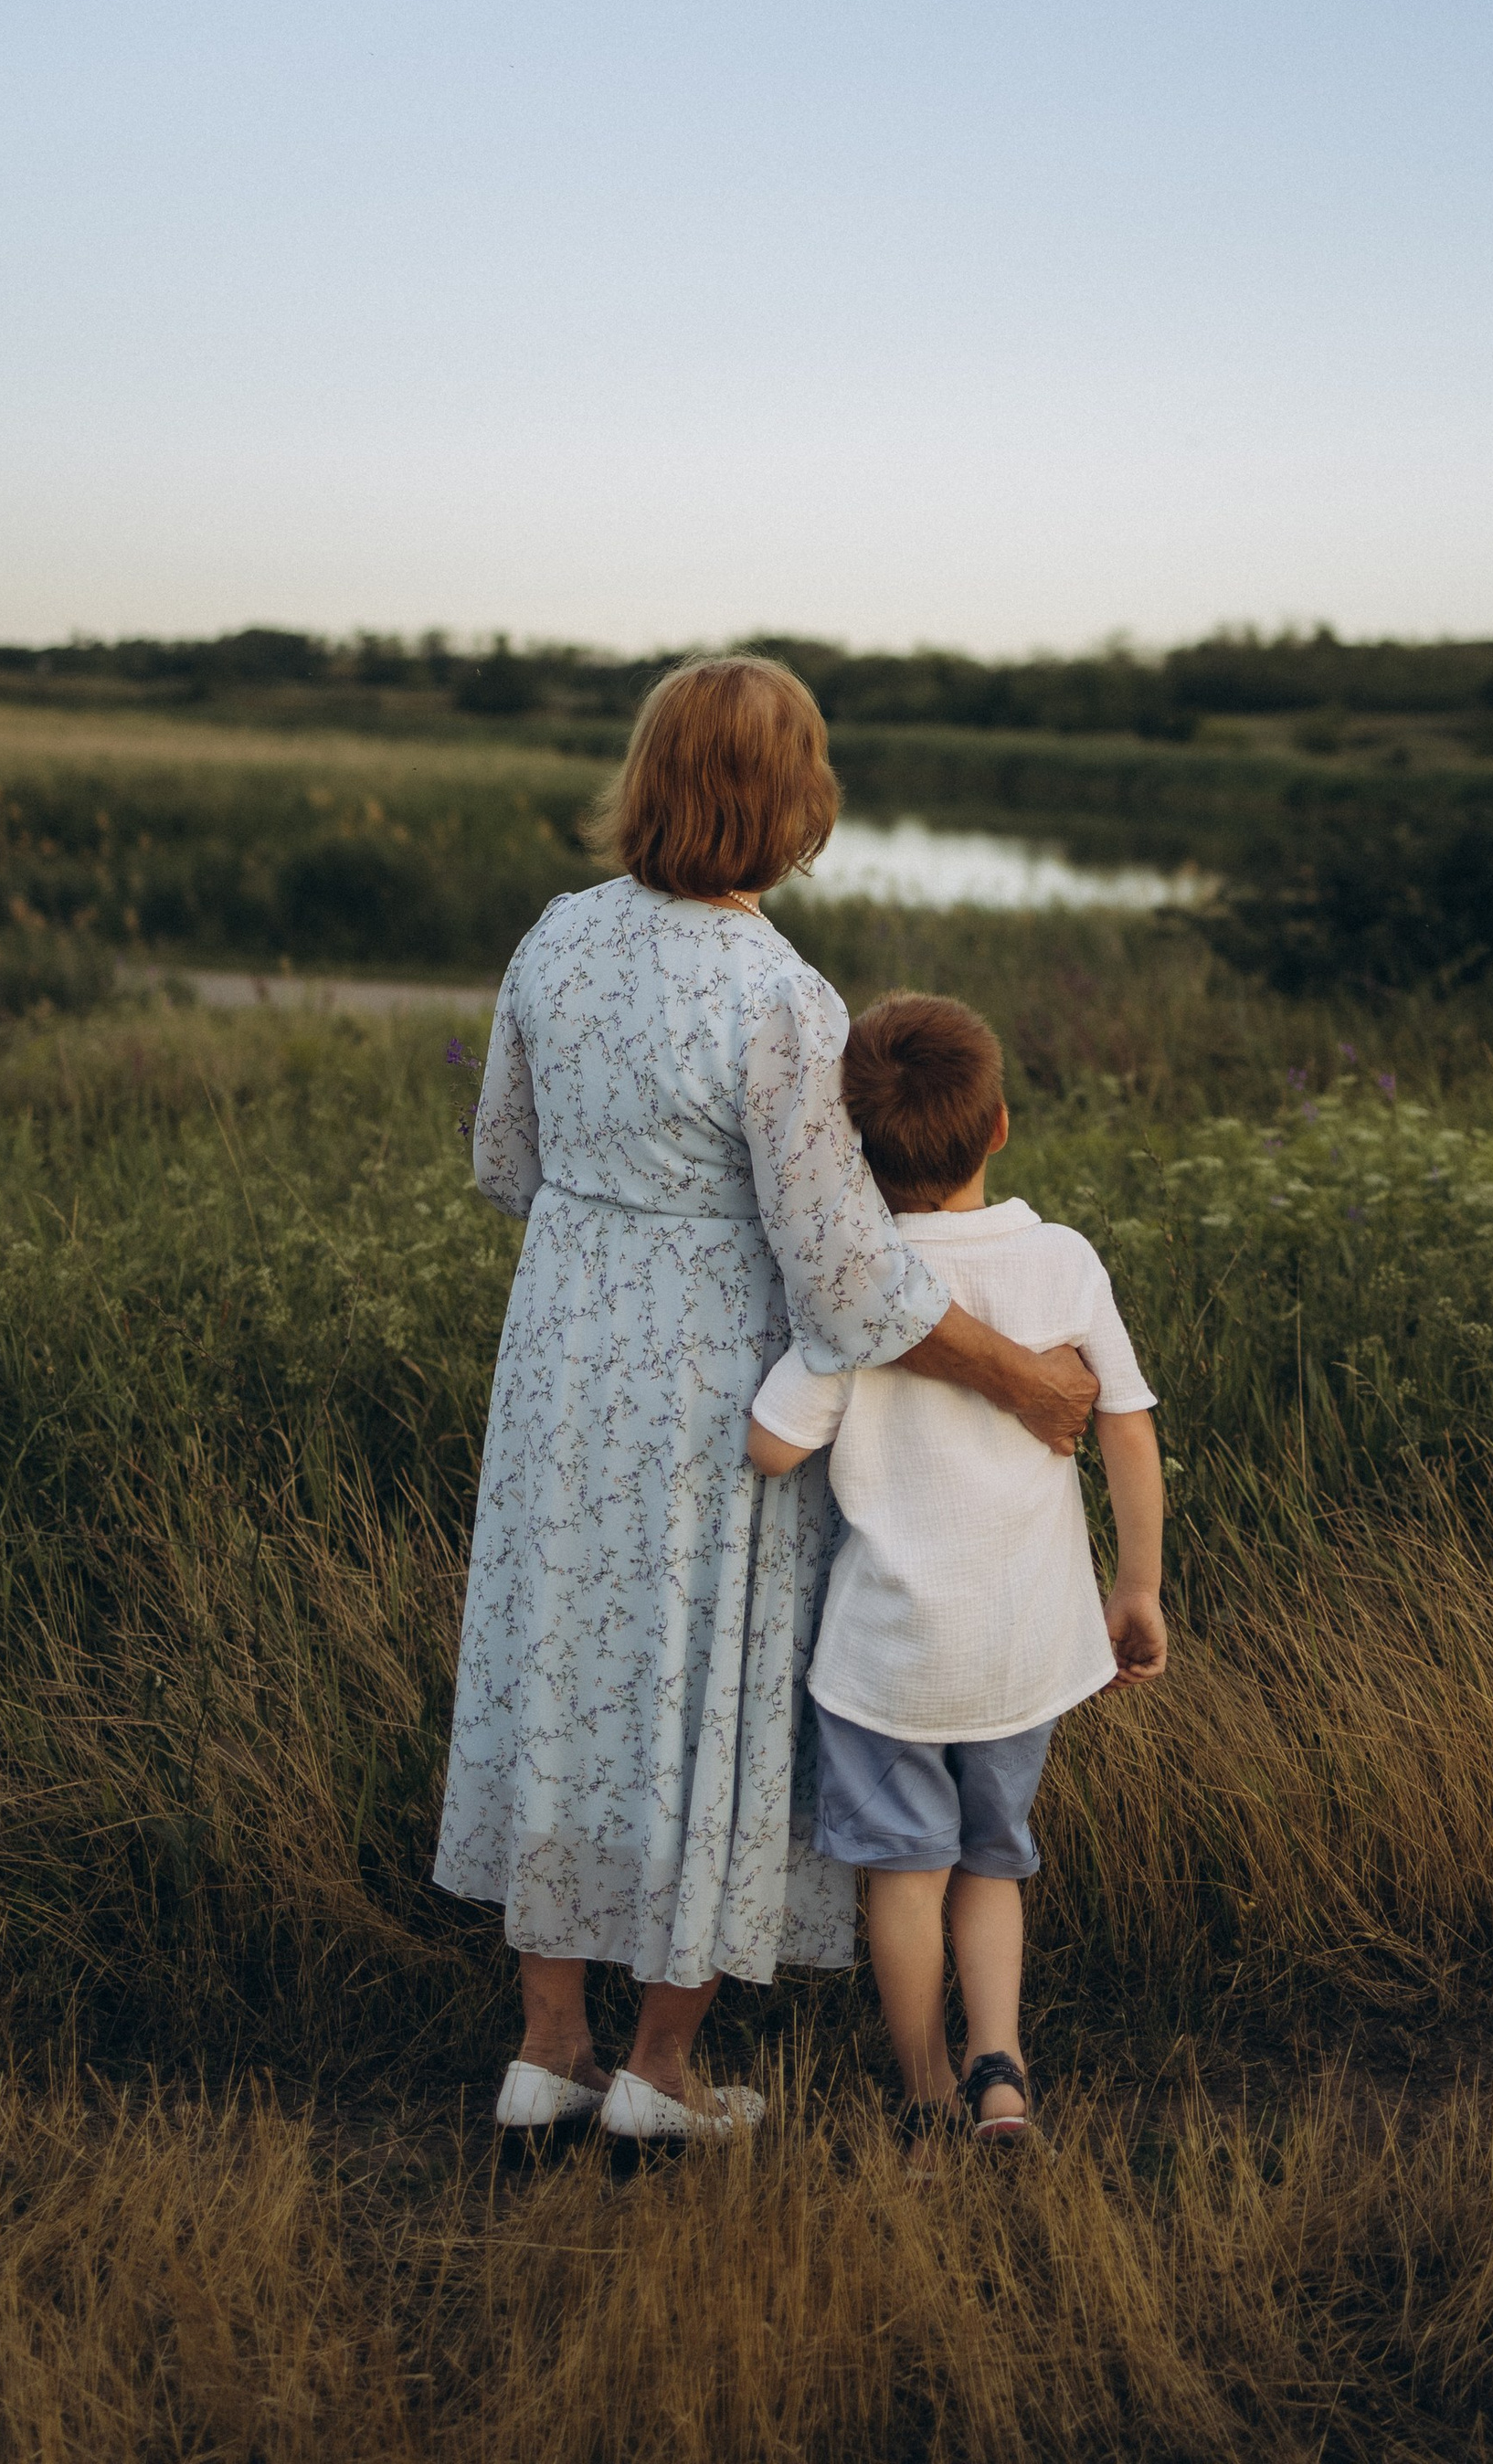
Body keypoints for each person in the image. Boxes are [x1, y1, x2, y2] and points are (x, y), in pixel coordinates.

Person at [432, 659, 1102, 2142]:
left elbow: (502, 1163)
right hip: (704, 1380)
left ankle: (549, 2048)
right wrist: (1020, 1380)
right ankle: (658, 2074)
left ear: (651, 774)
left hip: (556, 1360)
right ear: (796, 805)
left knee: (563, 1670)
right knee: (706, 1686)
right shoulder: (780, 997)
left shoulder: (553, 940)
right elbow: (845, 1275)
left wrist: (609, 1236)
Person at [745, 988, 1165, 2149]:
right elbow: (1123, 1422)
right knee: (993, 1863)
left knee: (905, 1878)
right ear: (998, 1126)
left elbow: (773, 1446)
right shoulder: (1063, 1263)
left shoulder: (859, 1291)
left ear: (856, 1151)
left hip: (889, 1659)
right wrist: (1135, 1587)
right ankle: (1003, 2074)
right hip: (1026, 1644)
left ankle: (926, 2091)